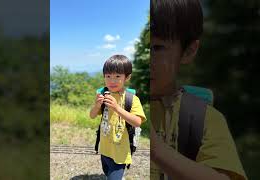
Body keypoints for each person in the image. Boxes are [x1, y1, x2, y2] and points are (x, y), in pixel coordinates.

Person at [150, 0, 247, 179]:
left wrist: (156, 150)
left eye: (156, 48)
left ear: (188, 51)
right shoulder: (122, 103)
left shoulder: (205, 119)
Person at [89, 54, 147, 180]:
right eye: (108, 76)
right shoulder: (103, 95)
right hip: (105, 148)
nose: (112, 80)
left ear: (127, 77)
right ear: (104, 77)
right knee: (107, 172)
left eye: (117, 76)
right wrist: (97, 105)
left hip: (120, 152)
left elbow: (137, 122)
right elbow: (92, 116)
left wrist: (117, 108)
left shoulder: (132, 99)